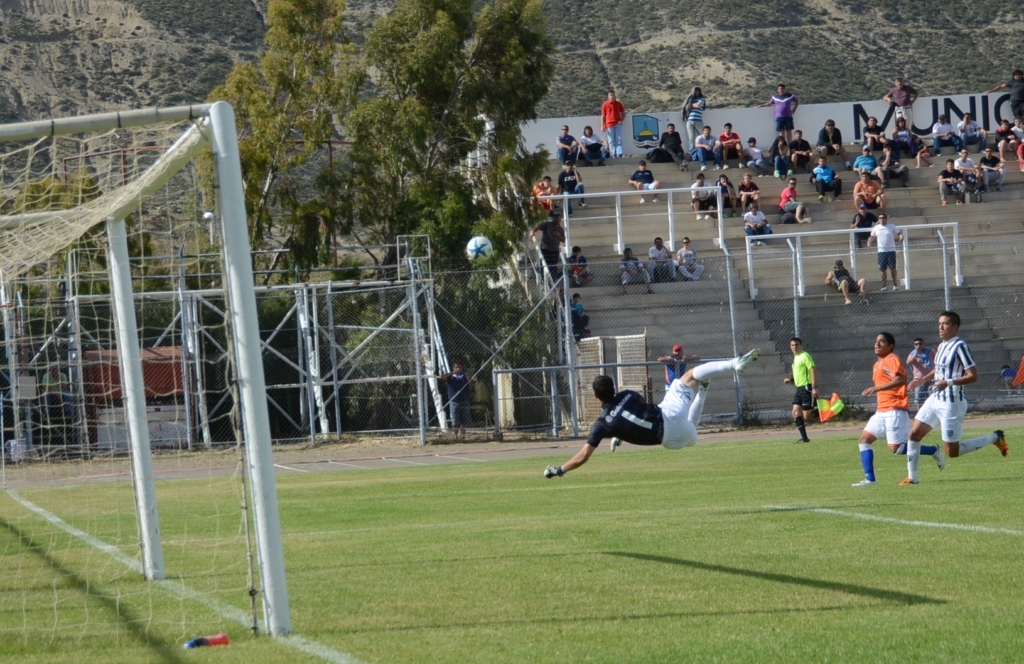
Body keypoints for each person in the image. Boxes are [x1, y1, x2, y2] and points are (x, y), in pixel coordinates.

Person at [543, 350, 761, 477]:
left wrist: (559, 470)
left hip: (671, 440)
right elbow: (634, 413)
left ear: (596, 397)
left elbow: (583, 457)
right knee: (689, 376)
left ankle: (704, 389)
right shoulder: (628, 395)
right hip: (667, 415)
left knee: (692, 429)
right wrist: (620, 433)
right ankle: (733, 364)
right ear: (614, 389)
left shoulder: (602, 425)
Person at [903, 311, 1009, 485]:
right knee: (914, 434)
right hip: (935, 397)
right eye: (939, 324)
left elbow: (973, 375)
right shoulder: (941, 346)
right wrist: (923, 379)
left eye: (945, 324)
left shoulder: (960, 346)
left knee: (952, 452)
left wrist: (949, 382)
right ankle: (912, 478)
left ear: (955, 327)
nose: (941, 327)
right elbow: (938, 370)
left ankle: (995, 437)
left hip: (952, 403)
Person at [853, 332, 920, 487]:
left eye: (882, 342)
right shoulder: (877, 364)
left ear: (891, 346)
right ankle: (870, 479)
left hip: (895, 409)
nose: (877, 344)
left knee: (896, 449)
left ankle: (933, 450)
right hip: (881, 411)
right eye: (876, 341)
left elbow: (900, 379)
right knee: (864, 440)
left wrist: (877, 388)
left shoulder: (892, 359)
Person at [783, 337, 817, 443]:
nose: (795, 347)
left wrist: (814, 387)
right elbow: (800, 374)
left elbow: (813, 370)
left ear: (801, 345)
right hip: (799, 389)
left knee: (808, 417)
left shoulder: (804, 356)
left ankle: (830, 410)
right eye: (792, 345)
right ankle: (804, 438)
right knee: (796, 412)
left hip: (807, 388)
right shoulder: (796, 358)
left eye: (797, 345)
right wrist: (791, 380)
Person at [867, 213, 902, 290]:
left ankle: (895, 284)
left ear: (886, 219)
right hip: (881, 251)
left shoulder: (891, 226)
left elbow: (899, 233)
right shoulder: (876, 228)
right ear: (878, 219)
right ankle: (884, 285)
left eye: (883, 218)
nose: (882, 219)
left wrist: (901, 237)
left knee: (893, 268)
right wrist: (869, 242)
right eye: (880, 218)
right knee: (882, 269)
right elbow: (872, 236)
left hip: (891, 251)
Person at [439, 363, 472, 441]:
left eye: (460, 367)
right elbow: (442, 377)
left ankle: (462, 436)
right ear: (454, 368)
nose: (458, 369)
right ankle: (455, 437)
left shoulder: (465, 376)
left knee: (463, 421)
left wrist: (469, 381)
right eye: (457, 367)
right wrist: (453, 373)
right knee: (455, 421)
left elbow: (470, 388)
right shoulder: (451, 377)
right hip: (454, 401)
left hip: (464, 400)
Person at [530, 212, 565, 279]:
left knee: (553, 267)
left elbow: (564, 240)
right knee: (544, 265)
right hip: (545, 249)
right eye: (555, 217)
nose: (556, 219)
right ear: (553, 218)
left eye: (558, 217)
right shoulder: (547, 224)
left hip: (555, 251)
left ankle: (553, 280)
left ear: (560, 219)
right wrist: (533, 231)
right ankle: (543, 279)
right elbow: (539, 226)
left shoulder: (561, 229)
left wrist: (558, 236)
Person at [906, 337, 934, 406]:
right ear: (914, 345)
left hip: (930, 378)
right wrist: (916, 354)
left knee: (932, 398)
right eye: (916, 344)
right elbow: (908, 362)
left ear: (923, 344)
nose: (918, 345)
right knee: (919, 400)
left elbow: (937, 360)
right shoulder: (912, 354)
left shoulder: (930, 351)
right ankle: (920, 414)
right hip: (919, 380)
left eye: (920, 344)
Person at [681, 86, 707, 152]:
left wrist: (690, 106)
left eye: (698, 91)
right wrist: (691, 105)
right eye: (695, 91)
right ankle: (692, 151)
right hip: (689, 121)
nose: (697, 92)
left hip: (698, 120)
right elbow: (684, 106)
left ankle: (703, 150)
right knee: (691, 137)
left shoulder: (701, 98)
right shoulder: (690, 99)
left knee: (702, 136)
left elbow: (698, 105)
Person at [601, 91, 626, 158]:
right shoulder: (605, 104)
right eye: (610, 95)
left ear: (615, 96)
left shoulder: (618, 104)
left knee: (619, 139)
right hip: (609, 124)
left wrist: (621, 120)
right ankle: (613, 154)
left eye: (613, 95)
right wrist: (602, 126)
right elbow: (603, 116)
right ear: (608, 96)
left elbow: (623, 113)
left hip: (617, 124)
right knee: (611, 140)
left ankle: (619, 153)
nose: (612, 96)